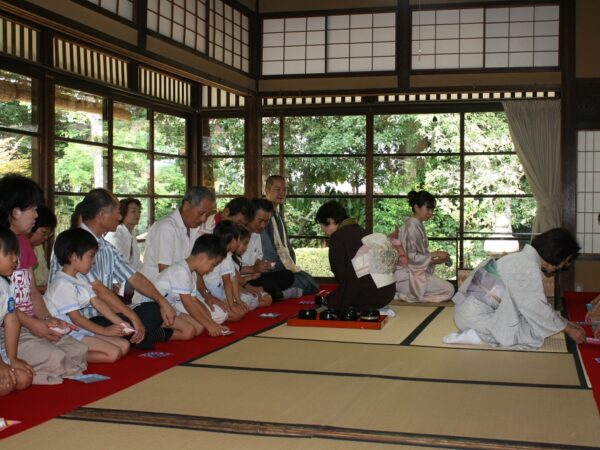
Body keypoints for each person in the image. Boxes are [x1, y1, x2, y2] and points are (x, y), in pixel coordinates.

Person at [49, 188, 179, 348]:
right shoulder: (75, 243)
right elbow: (98, 290)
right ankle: (142, 335)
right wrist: (132, 317)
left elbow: (134, 277)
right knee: (139, 321)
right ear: (103, 214)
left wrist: (162, 301)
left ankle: (139, 335)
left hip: (107, 314)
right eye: (118, 211)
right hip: (83, 319)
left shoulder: (107, 247)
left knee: (155, 309)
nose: (120, 217)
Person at [0, 174, 87, 384]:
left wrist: (47, 319)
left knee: (78, 352)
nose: (37, 215)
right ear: (16, 212)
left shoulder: (23, 242)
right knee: (56, 360)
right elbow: (6, 308)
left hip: (29, 324)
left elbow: (31, 292)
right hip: (9, 330)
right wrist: (32, 324)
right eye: (33, 209)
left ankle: (29, 369)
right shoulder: (2, 246)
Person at [450, 228, 586, 348]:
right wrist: (568, 328)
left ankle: (482, 333)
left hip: (470, 312)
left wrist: (564, 323)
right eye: (565, 261)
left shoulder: (523, 259)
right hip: (477, 318)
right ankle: (480, 336)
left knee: (538, 323)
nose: (563, 266)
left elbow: (534, 305)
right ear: (558, 254)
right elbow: (536, 308)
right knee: (533, 332)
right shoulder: (528, 267)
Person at [45, 229, 130, 363]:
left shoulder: (79, 277)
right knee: (113, 353)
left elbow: (98, 303)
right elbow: (77, 319)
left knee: (124, 345)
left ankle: (76, 352)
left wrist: (121, 323)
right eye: (91, 256)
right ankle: (65, 357)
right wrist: (104, 331)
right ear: (73, 256)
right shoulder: (62, 284)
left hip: (79, 329)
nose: (94, 261)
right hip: (65, 333)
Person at [135, 234, 230, 337]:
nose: (211, 270)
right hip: (152, 309)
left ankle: (157, 329)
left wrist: (212, 323)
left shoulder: (192, 273)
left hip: (169, 308)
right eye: (213, 265)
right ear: (203, 257)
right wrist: (210, 326)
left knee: (199, 327)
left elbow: (194, 301)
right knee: (189, 331)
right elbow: (188, 304)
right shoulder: (180, 271)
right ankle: (149, 333)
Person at [316, 200, 397, 311]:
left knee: (330, 301)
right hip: (388, 294)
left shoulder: (337, 237)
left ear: (330, 220)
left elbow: (341, 275)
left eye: (322, 226)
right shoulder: (362, 231)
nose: (324, 231)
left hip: (369, 295)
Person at [140, 186, 216, 283]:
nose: (203, 219)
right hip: (157, 290)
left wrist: (205, 292)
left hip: (181, 288)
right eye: (201, 213)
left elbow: (193, 271)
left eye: (207, 215)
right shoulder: (167, 228)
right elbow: (165, 273)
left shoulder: (195, 228)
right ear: (187, 206)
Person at [260, 175, 318, 296]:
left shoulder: (277, 214)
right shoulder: (262, 215)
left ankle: (283, 291)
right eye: (278, 189)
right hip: (271, 268)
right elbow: (267, 250)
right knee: (306, 284)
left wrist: (291, 264)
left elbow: (286, 245)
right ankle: (281, 293)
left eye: (284, 189)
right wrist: (281, 266)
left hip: (283, 267)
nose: (282, 193)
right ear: (267, 190)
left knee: (310, 282)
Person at [394, 190, 454, 303]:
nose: (430, 213)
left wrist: (437, 261)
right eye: (428, 209)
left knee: (449, 290)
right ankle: (406, 295)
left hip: (412, 273)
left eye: (432, 210)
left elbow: (419, 259)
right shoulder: (412, 226)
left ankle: (409, 294)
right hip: (406, 277)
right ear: (416, 207)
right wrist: (436, 254)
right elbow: (412, 259)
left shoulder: (416, 224)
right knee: (449, 290)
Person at [0, 226, 34, 395]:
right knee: (5, 386)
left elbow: (12, 319)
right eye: (10, 254)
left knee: (23, 378)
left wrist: (12, 358)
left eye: (16, 253)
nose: (16, 259)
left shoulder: (7, 284)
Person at [240, 198, 295, 301]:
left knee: (288, 275)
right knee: (267, 283)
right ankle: (276, 294)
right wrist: (252, 269)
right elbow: (229, 270)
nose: (263, 225)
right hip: (241, 279)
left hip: (255, 277)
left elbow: (258, 258)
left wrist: (261, 265)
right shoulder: (237, 235)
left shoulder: (257, 235)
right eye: (260, 221)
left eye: (267, 221)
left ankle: (270, 293)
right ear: (249, 217)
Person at [199, 220, 247, 321]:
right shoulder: (224, 255)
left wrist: (237, 300)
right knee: (238, 314)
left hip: (218, 290)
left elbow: (233, 279)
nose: (239, 243)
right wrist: (231, 304)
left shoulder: (227, 255)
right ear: (233, 241)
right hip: (212, 290)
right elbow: (227, 281)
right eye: (239, 239)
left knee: (242, 309)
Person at [233, 226, 272, 310]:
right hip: (231, 291)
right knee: (261, 296)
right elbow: (229, 282)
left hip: (242, 284)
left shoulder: (235, 258)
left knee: (268, 299)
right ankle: (240, 306)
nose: (246, 247)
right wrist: (246, 289)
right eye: (245, 244)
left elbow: (236, 278)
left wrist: (252, 276)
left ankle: (243, 306)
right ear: (234, 242)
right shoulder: (226, 258)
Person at [105, 197, 142, 271]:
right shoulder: (115, 235)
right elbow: (120, 267)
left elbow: (136, 263)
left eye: (139, 211)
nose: (137, 214)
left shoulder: (132, 232)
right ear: (123, 213)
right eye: (133, 211)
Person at [28, 205, 57, 294]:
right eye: (43, 232)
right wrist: (46, 288)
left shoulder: (38, 247)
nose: (46, 237)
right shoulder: (19, 248)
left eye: (48, 234)